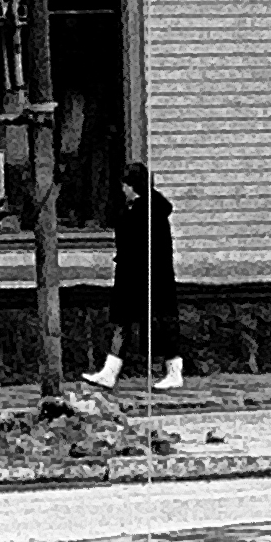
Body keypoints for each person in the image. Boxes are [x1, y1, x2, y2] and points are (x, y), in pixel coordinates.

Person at [88, 163, 182, 389]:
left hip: (141, 277)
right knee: (130, 323)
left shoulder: (141, 213)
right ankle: (110, 372)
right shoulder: (152, 210)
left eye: (125, 185)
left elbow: (136, 247)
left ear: (132, 186)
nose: (122, 190)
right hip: (148, 276)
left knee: (152, 323)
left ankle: (172, 372)